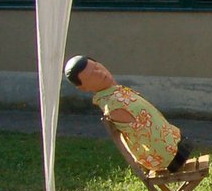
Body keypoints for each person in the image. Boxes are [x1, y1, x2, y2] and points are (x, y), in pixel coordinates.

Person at [64, 56, 193, 172]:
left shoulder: (116, 94)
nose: (100, 73)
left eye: (97, 67)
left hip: (172, 149)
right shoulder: (113, 104)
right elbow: (147, 131)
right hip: (168, 157)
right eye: (92, 75)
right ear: (83, 88)